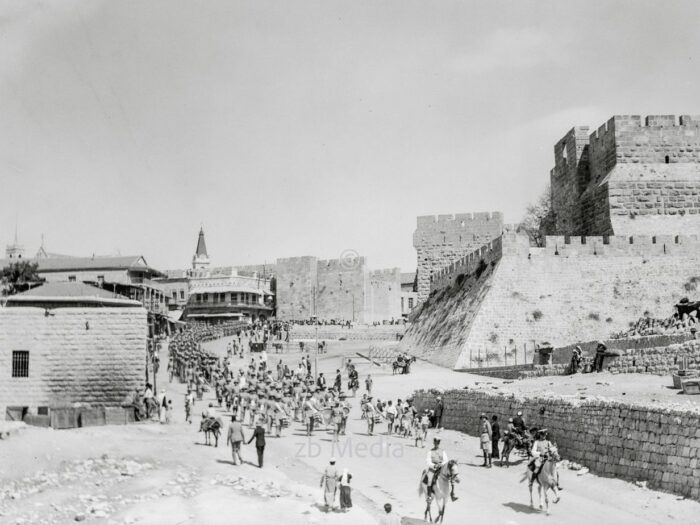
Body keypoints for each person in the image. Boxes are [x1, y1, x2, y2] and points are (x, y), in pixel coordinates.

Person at [426, 437, 457, 501]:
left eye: (438, 443)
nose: (436, 444)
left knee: (451, 475)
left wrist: (441, 464)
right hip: (433, 469)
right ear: (433, 443)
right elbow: (428, 461)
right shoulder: (430, 451)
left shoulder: (443, 451)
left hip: (441, 468)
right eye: (435, 442)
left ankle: (452, 494)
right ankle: (429, 496)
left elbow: (446, 460)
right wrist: (434, 465)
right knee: (429, 479)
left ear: (439, 443)